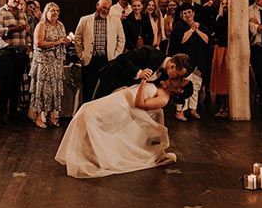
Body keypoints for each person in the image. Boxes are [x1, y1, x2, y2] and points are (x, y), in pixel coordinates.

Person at [54, 75, 188, 178]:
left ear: (180, 90)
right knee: (86, 109)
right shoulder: (162, 83)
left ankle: (94, 157)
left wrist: (143, 82)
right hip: (121, 97)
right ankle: (84, 155)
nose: (178, 79)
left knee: (89, 114)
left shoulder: (163, 98)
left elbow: (140, 103)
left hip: (123, 105)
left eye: (181, 81)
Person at [74, 0, 125, 103]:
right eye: (103, 8)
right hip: (90, 60)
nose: (105, 11)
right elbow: (77, 39)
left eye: (108, 9)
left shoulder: (115, 21)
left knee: (105, 91)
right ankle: (87, 116)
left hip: (107, 60)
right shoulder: (85, 20)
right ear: (97, 5)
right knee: (88, 91)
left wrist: (115, 56)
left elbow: (121, 40)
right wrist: (81, 55)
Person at [0, 0, 31, 123]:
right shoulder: (0, 13)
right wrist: (14, 29)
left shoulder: (22, 14)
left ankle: (13, 113)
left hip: (20, 53)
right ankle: (3, 114)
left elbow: (25, 32)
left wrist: (27, 46)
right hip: (6, 53)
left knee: (16, 85)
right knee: (5, 84)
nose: (17, 0)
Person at [94, 46, 191, 99]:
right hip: (111, 79)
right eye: (178, 75)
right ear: (173, 66)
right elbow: (122, 58)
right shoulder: (150, 53)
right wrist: (139, 72)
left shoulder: (165, 74)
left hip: (123, 94)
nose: (177, 78)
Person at [29, 2, 67, 128]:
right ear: (46, 12)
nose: (55, 12)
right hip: (43, 63)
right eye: (52, 10)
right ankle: (39, 116)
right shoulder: (41, 25)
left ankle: (52, 115)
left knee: (53, 90)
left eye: (57, 10)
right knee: (42, 89)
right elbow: (38, 42)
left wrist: (65, 41)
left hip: (56, 62)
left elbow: (62, 39)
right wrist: (57, 42)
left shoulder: (60, 25)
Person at [171, 3, 210, 121]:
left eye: (189, 12)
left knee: (196, 86)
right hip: (184, 63)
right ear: (181, 15)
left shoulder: (200, 25)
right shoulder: (178, 26)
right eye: (185, 13)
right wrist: (191, 29)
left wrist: (197, 30)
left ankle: (193, 109)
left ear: (193, 13)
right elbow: (181, 40)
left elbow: (207, 40)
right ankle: (180, 111)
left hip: (198, 61)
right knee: (182, 86)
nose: (188, 15)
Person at [210, 0, 231, 118]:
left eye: (227, 3)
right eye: (223, 4)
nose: (225, 5)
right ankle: (222, 105)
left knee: (227, 79)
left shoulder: (232, 18)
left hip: (228, 49)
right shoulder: (220, 17)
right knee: (220, 79)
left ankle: (229, 106)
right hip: (219, 49)